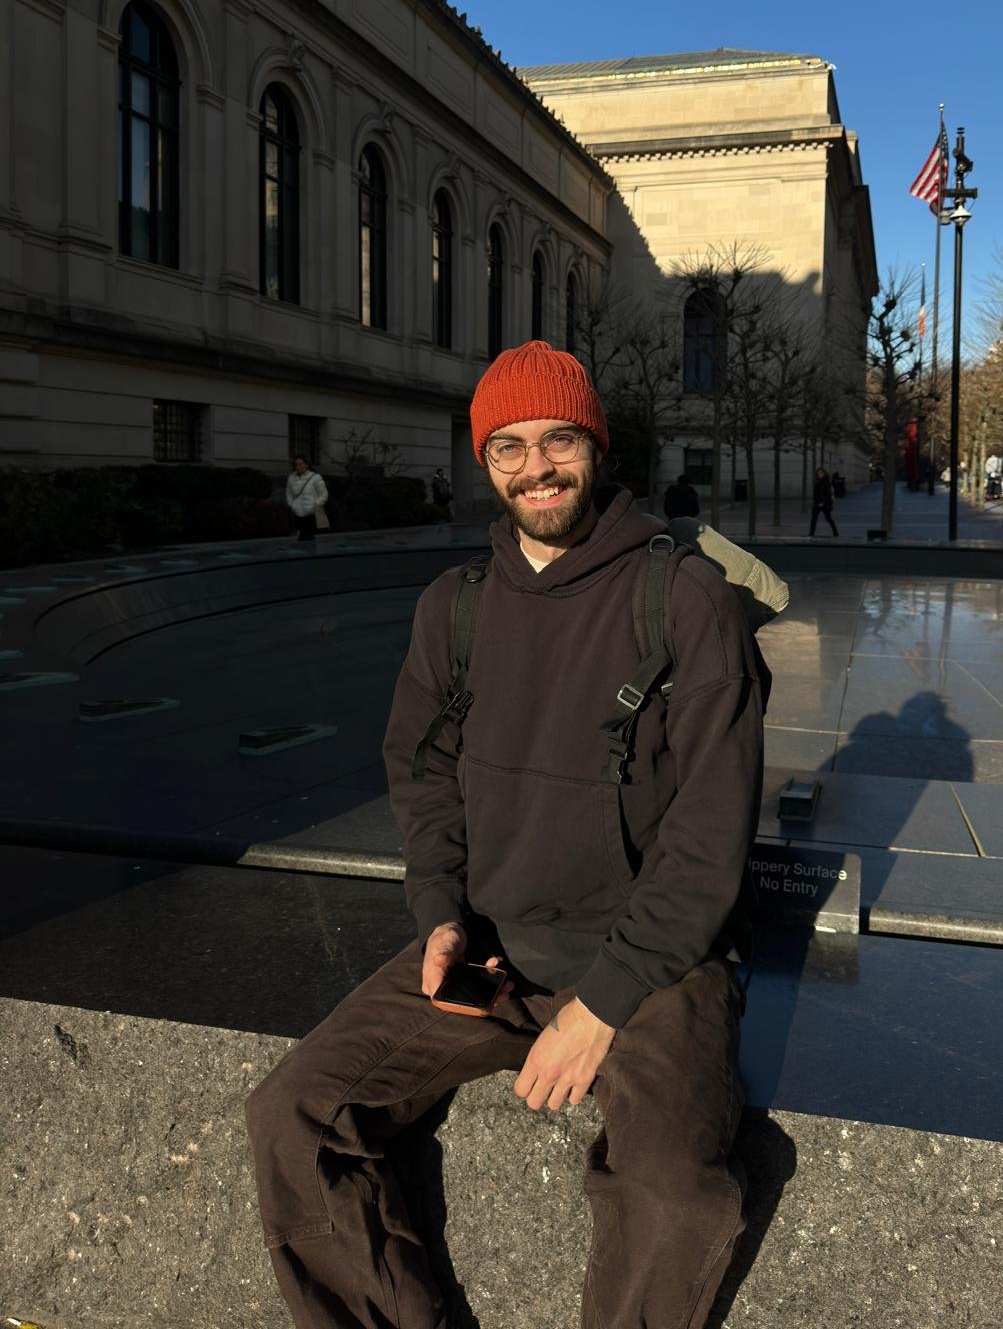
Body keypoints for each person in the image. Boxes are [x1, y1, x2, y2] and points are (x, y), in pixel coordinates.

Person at [245, 340, 765, 1329]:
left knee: (671, 1191)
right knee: (294, 1117)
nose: (537, 468)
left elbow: (710, 828)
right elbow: (424, 771)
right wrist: (439, 913)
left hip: (654, 965)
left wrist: (603, 1002)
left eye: (559, 440)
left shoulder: (684, 599)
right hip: (493, 949)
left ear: (595, 446)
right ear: (484, 461)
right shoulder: (456, 607)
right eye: (510, 447)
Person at [284, 454, 328, 543]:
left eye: (300, 464)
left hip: (310, 514)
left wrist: (315, 505)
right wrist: (291, 504)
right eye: (296, 464)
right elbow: (288, 492)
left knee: (307, 537)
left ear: (306, 465)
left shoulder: (315, 477)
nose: (298, 467)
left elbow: (324, 494)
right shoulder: (291, 478)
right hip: (297, 512)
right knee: (301, 538)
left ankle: (309, 554)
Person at [809, 466, 838, 536]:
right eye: (818, 473)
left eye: (821, 473)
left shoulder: (827, 482)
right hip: (817, 504)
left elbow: (828, 494)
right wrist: (815, 502)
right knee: (813, 519)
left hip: (825, 504)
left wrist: (823, 502)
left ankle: (835, 532)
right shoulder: (817, 482)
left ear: (824, 474)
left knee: (828, 518)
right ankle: (811, 533)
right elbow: (815, 494)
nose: (819, 474)